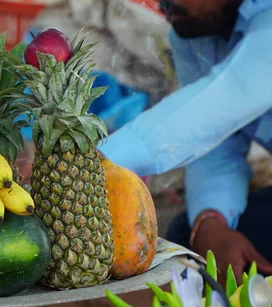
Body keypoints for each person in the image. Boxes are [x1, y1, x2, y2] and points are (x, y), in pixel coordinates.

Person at [98, 0, 272, 282]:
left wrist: (89, 160)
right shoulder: (194, 34)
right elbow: (215, 141)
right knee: (189, 236)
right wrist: (210, 220)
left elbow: (222, 101)